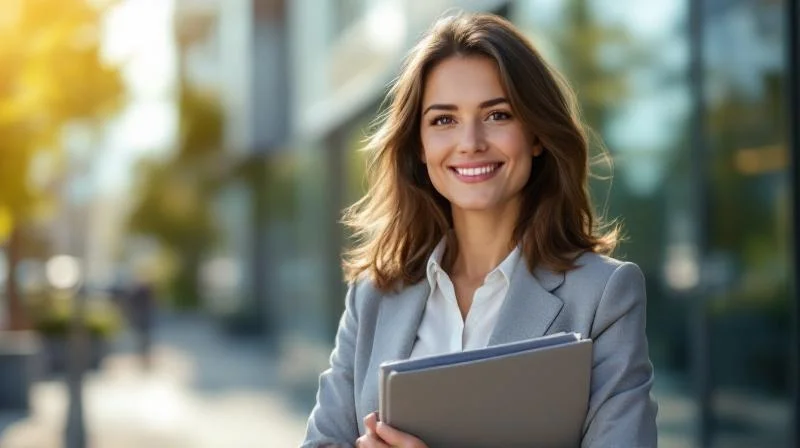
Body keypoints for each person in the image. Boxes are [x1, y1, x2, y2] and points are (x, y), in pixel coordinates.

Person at [302, 12, 657, 448]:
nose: (470, 141)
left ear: (536, 134)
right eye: (443, 120)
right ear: (420, 144)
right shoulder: (373, 295)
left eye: (498, 115)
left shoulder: (603, 297)